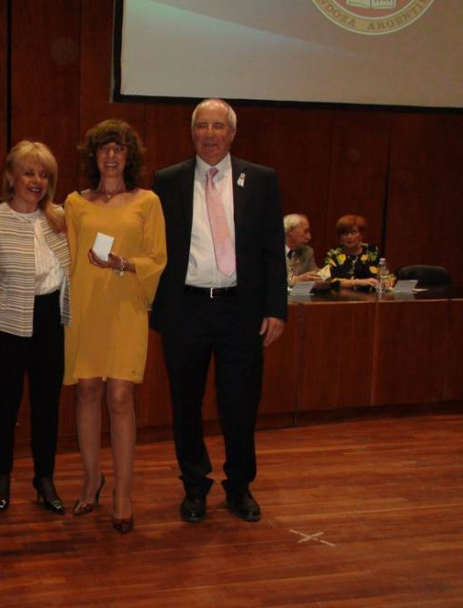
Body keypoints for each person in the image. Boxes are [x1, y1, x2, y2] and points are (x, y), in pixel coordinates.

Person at [152, 99, 287, 525]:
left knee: (240, 403)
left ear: (232, 134)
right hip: (186, 310)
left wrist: (275, 309)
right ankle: (194, 486)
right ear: (192, 133)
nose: (210, 134)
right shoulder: (167, 180)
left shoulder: (262, 180)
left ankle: (240, 486)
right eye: (202, 126)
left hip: (240, 312)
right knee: (185, 403)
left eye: (218, 126)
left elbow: (271, 253)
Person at [64, 119, 167, 534]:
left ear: (129, 156)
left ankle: (123, 493)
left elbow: (157, 258)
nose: (110, 155)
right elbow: (65, 257)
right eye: (104, 148)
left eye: (118, 149)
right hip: (85, 308)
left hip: (125, 308)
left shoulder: (148, 201)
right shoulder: (73, 202)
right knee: (87, 390)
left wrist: (123, 263)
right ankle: (92, 480)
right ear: (93, 156)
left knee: (120, 397)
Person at [0, 141, 70, 516]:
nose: (37, 180)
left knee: (47, 407)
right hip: (4, 325)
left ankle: (45, 479)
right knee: (4, 407)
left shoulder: (60, 217)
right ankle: (2, 476)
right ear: (11, 176)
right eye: (29, 172)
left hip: (50, 323)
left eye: (44, 174)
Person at [324, 214, 381, 290]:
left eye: (353, 232)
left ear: (361, 235)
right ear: (340, 237)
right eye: (345, 233)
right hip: (341, 298)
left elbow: (383, 274)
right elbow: (331, 281)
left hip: (369, 297)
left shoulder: (371, 251)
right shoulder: (333, 254)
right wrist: (358, 282)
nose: (349, 237)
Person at [284, 213, 320, 287]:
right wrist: (295, 280)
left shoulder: (307, 252)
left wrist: (320, 280)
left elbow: (314, 274)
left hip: (299, 297)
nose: (309, 237)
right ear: (291, 230)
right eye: (305, 231)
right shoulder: (270, 251)